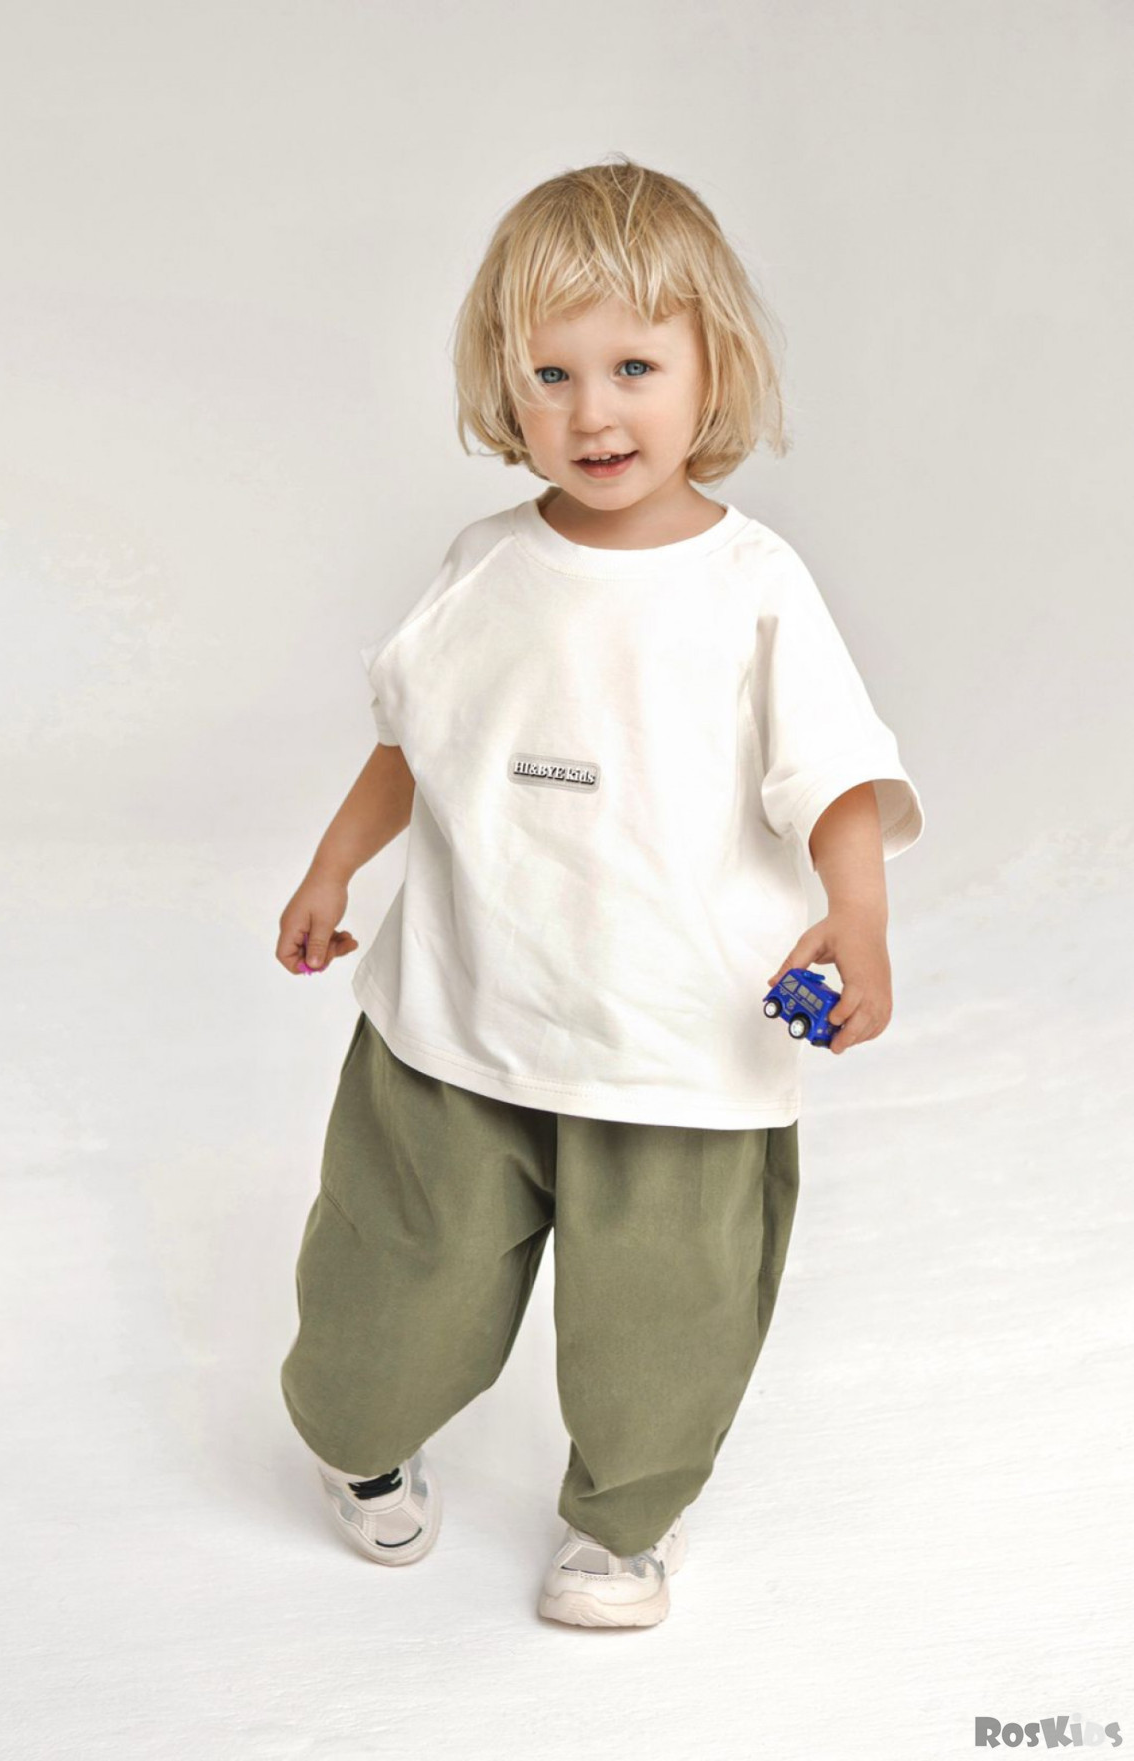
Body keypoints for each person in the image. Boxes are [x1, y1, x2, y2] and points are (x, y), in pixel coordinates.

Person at [275, 155, 925, 1629]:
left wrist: (860, 920)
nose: (592, 412)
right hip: (463, 1013)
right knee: (395, 1271)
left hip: (677, 1040)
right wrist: (332, 865)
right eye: (551, 374)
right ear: (505, 388)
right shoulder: (485, 564)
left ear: (713, 366)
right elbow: (414, 740)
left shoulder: (756, 585)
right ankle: (359, 1436)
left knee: (665, 1315)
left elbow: (832, 774)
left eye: (635, 366)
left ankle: (626, 1519)